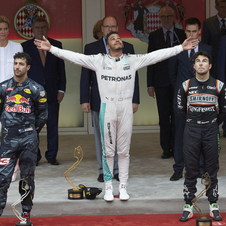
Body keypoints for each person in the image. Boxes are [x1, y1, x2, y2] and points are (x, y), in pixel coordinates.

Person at [34, 30, 198, 202]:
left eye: (119, 38)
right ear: (107, 45)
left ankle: (123, 187)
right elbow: (74, 57)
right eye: (113, 39)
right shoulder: (98, 60)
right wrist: (51, 48)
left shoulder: (131, 60)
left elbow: (156, 56)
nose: (118, 40)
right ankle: (108, 188)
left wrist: (180, 47)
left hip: (126, 106)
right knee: (109, 152)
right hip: (108, 107)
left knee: (124, 151)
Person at [80, 16, 140, 183]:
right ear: (102, 29)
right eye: (107, 27)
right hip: (100, 101)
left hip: (124, 102)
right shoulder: (91, 48)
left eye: (113, 27)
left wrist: (135, 99)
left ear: (118, 27)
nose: (111, 30)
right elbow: (85, 76)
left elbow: (135, 76)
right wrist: (84, 99)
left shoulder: (128, 47)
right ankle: (103, 169)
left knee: (121, 138)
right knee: (102, 138)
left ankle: (119, 170)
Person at [177, 51, 225, 222]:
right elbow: (181, 110)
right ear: (194, 65)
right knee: (190, 169)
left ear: (210, 65)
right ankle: (188, 205)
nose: (202, 64)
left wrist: (211, 123)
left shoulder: (219, 85)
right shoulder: (185, 85)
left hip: (211, 131)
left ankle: (213, 205)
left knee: (212, 169)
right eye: (198, 61)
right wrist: (194, 122)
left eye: (205, 61)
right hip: (191, 131)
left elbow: (223, 112)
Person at [0, 52, 48, 223]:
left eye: (21, 63)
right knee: (2, 178)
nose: (17, 66)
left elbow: (43, 116)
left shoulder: (37, 89)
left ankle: (26, 216)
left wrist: (31, 131)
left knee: (26, 179)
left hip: (28, 139)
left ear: (27, 67)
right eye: (15, 63)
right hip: (8, 139)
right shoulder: (3, 87)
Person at [168, 17, 212, 181]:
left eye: (194, 31)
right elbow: (172, 74)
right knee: (180, 134)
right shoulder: (178, 49)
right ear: (184, 31)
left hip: (202, 99)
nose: (192, 34)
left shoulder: (207, 49)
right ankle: (179, 168)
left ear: (199, 31)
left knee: (201, 135)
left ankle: (200, 168)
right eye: (188, 31)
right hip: (181, 98)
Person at [22, 17, 66, 165]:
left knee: (52, 126)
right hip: (32, 95)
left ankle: (52, 156)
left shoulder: (56, 45)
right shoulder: (25, 47)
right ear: (33, 29)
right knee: (33, 128)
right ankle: (36, 156)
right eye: (37, 27)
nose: (40, 30)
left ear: (47, 29)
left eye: (43, 27)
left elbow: (61, 71)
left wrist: (61, 90)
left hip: (52, 93)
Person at [147, 6, 186, 160]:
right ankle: (166, 148)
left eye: (169, 16)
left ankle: (177, 146)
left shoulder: (181, 35)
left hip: (178, 81)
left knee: (177, 116)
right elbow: (150, 60)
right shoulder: (154, 36)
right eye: (164, 17)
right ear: (160, 18)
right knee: (164, 117)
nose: (167, 19)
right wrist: (150, 84)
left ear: (174, 18)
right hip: (161, 82)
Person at [0, 15, 23, 182]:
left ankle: (12, 168)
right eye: (0, 29)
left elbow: (20, 72)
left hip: (11, 97)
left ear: (9, 30)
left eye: (5, 29)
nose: (2, 32)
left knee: (11, 134)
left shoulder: (17, 47)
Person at [202, 0, 226, 136]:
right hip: (215, 67)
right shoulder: (208, 23)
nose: (224, 10)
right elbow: (205, 46)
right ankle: (213, 125)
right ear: (216, 7)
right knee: (214, 98)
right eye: (221, 7)